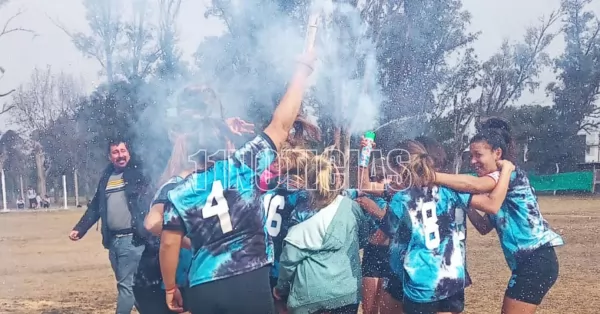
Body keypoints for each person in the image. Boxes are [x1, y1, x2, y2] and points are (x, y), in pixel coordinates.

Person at [159, 52, 316, 314]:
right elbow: (281, 124)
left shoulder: (180, 191)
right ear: (227, 144)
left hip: (203, 286)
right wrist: (301, 72)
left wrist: (169, 287)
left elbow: (167, 243)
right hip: (250, 279)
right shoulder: (244, 166)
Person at [358, 139, 514, 314]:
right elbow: (491, 204)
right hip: (452, 277)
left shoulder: (402, 197)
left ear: (402, 169)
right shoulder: (451, 190)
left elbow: (382, 236)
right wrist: (506, 171)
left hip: (419, 280)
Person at [434, 118, 564, 314]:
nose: (473, 161)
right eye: (471, 156)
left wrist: (431, 176)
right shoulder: (500, 184)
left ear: (497, 153)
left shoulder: (508, 174)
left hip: (536, 260)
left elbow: (475, 186)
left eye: (478, 155)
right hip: (528, 263)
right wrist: (466, 203)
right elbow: (484, 227)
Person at [273, 154, 370, 314]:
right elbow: (362, 240)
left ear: (308, 182)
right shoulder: (352, 207)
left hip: (311, 299)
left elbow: (289, 260)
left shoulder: (301, 214)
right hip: (347, 295)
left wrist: (281, 288)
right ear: (336, 180)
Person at [69, 138, 150, 314]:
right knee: (130, 287)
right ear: (110, 156)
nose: (120, 155)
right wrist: (80, 228)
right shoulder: (107, 177)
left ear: (129, 153)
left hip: (133, 240)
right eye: (115, 152)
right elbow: (96, 205)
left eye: (123, 151)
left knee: (125, 286)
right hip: (113, 242)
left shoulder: (139, 174)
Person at [343, 157, 392, 314]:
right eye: (373, 178)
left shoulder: (394, 196)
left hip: (392, 255)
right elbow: (338, 193)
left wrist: (376, 212)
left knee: (387, 309)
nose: (377, 182)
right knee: (369, 309)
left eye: (381, 177)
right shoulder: (363, 196)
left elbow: (398, 223)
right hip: (372, 253)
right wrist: (365, 152)